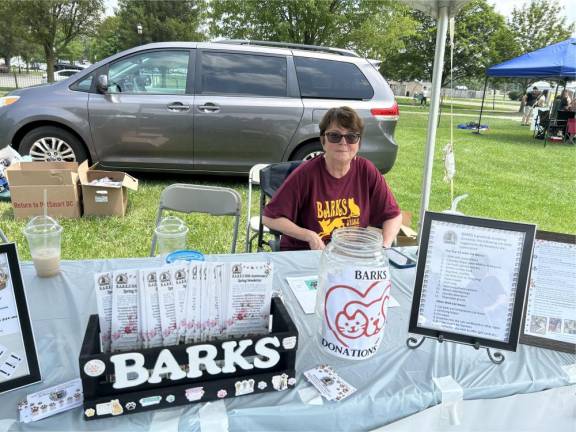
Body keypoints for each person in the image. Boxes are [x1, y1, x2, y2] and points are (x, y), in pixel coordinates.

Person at [262, 106, 402, 251]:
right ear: (323, 141)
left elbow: (393, 216)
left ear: (358, 143)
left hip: (350, 255)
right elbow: (270, 218)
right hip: (308, 255)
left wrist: (385, 247)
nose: (343, 142)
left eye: (351, 136)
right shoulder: (305, 174)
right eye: (334, 136)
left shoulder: (366, 171)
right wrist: (309, 235)